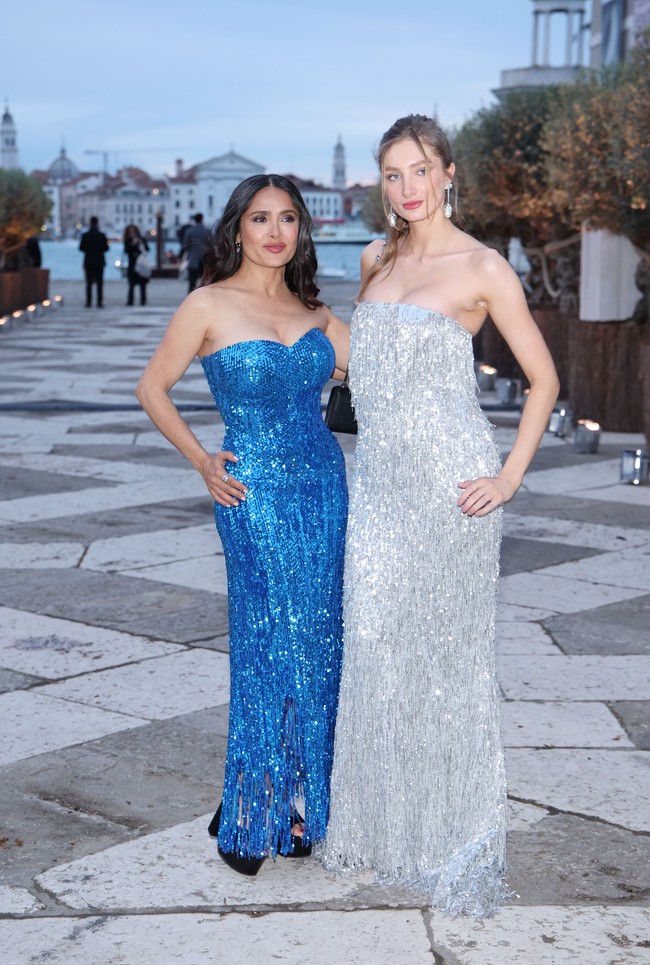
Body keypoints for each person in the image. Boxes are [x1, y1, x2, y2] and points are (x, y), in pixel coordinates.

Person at [322, 114, 559, 916]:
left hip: (453, 486)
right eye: (392, 174)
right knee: (374, 641)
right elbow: (370, 364)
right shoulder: (374, 257)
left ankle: (447, 830)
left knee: (447, 665)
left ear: (449, 172)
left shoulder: (484, 267)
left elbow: (544, 381)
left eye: (419, 170)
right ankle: (387, 824)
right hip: (381, 487)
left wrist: (510, 475)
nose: (407, 188)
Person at [135, 174, 349, 875]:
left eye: (288, 218)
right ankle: (249, 809)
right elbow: (151, 387)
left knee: (316, 640)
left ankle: (297, 801)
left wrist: (389, 270)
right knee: (267, 639)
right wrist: (201, 459)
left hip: (323, 488)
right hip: (249, 492)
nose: (276, 231)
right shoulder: (208, 303)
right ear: (237, 229)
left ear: (301, 231)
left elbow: (389, 365)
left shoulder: (316, 310)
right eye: (261, 218)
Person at [79, 216, 109, 308]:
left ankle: (88, 302)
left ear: (90, 223)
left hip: (89, 262)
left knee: (88, 283)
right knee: (100, 283)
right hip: (99, 261)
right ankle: (99, 302)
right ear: (97, 223)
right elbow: (106, 248)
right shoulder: (102, 235)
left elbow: (81, 248)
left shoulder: (85, 235)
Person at [181, 212, 211, 292]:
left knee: (192, 282)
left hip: (193, 259)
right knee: (205, 282)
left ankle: (191, 298)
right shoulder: (207, 231)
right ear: (202, 219)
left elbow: (185, 245)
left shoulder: (190, 231)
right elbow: (212, 244)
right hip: (204, 259)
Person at [123, 224, 150, 306]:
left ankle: (143, 301)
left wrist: (140, 243)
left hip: (141, 264)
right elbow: (126, 251)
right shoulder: (127, 240)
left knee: (142, 284)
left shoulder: (142, 239)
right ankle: (130, 301)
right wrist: (133, 244)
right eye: (130, 231)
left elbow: (147, 249)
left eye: (133, 231)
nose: (132, 233)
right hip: (132, 265)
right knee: (131, 284)